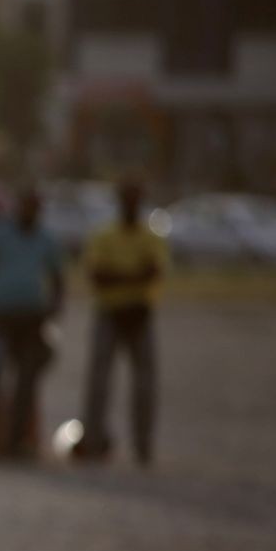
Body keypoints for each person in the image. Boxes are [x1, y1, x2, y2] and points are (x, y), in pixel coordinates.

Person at [75, 179, 167, 465]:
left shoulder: (152, 236)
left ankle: (143, 446)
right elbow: (97, 276)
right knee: (98, 381)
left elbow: (154, 273)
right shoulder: (104, 235)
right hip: (110, 313)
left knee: (145, 384)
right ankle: (92, 442)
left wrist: (119, 278)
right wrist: (132, 277)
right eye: (126, 199)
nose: (131, 205)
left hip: (139, 315)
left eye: (135, 199)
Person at [0, 184, 63, 460]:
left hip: (31, 319)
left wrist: (53, 310)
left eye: (35, 207)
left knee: (26, 381)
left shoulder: (45, 239)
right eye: (25, 206)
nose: (29, 212)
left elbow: (58, 280)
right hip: (0, 317)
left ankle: (16, 442)